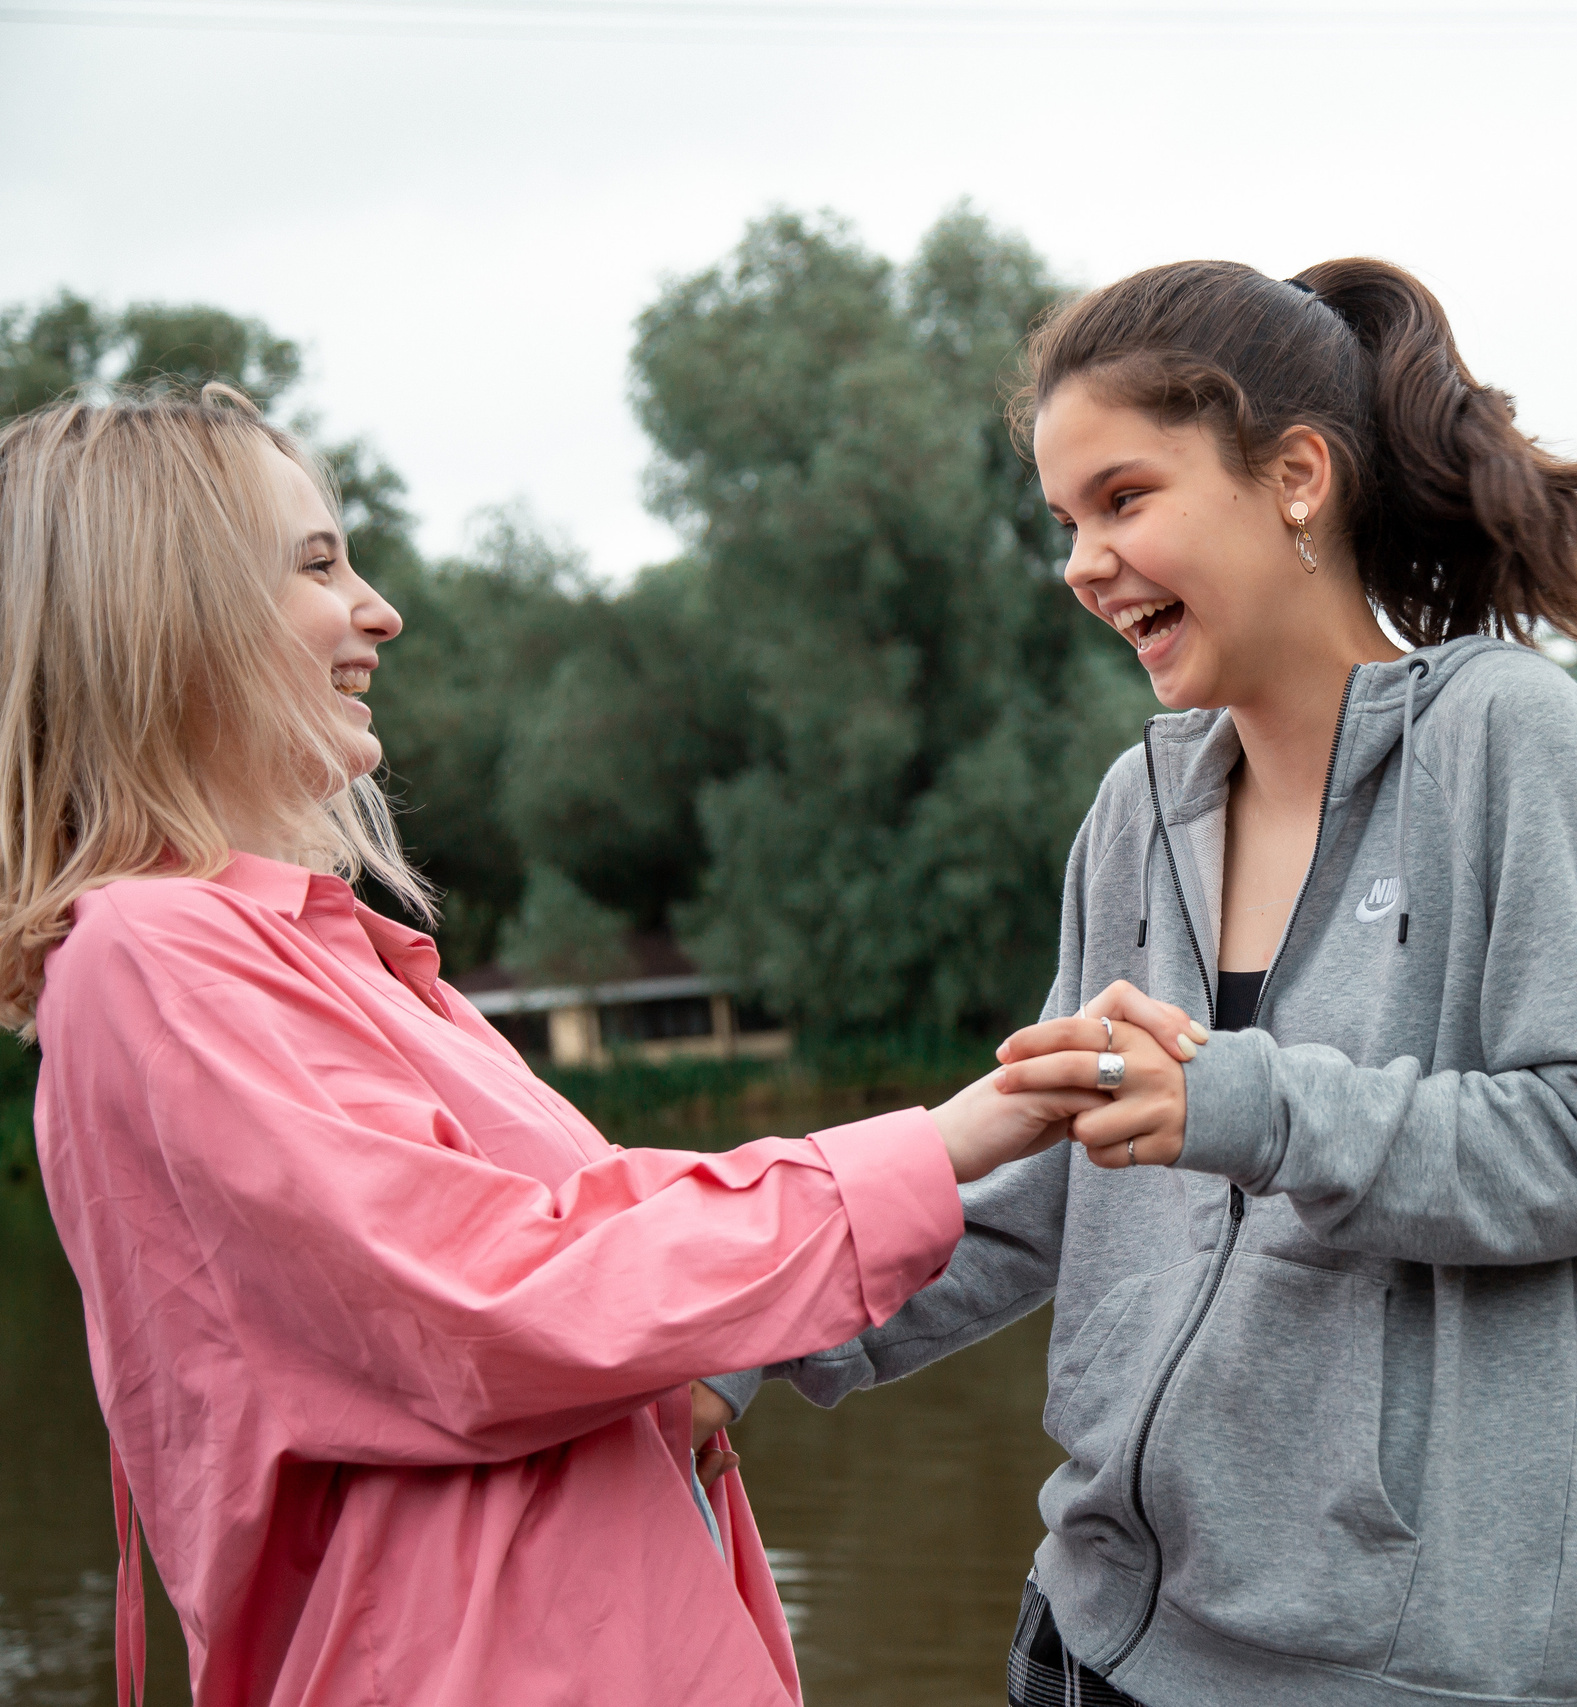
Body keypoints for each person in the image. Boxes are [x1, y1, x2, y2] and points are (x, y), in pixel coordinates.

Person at [0, 387, 1103, 1707]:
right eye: (318, 565)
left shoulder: (339, 958)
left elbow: (577, 1254)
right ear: (169, 620)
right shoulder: (154, 956)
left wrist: (700, 1369)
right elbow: (483, 1303)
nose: (379, 612)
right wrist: (939, 1144)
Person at [706, 259, 1577, 1707]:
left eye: (1124, 499)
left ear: (1296, 477)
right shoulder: (1138, 811)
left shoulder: (1513, 743)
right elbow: (1044, 1184)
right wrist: (736, 1335)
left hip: (1395, 1677)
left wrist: (1248, 1105)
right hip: (1088, 1643)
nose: (1080, 562)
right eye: (1066, 521)